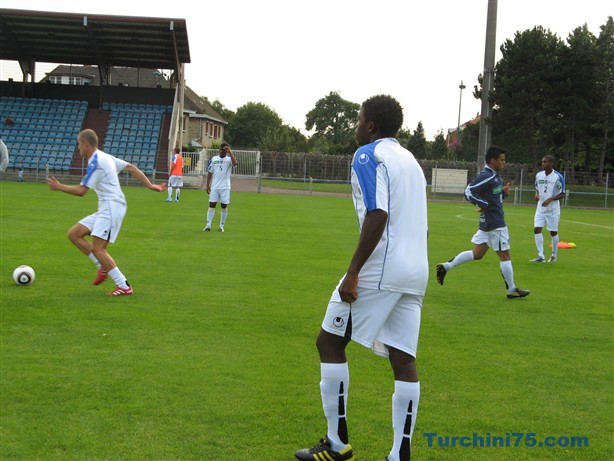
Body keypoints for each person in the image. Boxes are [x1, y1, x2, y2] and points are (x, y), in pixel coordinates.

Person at [295, 95, 429, 461]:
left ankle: (336, 444)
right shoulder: (412, 160)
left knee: (329, 342)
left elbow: (378, 212)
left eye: (358, 120)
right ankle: (399, 455)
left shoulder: (369, 154)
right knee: (404, 359)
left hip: (381, 267)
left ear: (371, 126)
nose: (355, 126)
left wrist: (353, 272)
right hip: (416, 272)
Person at [48, 129, 165, 296]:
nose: (78, 148)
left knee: (98, 249)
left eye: (79, 144)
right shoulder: (105, 156)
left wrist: (60, 187)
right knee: (74, 234)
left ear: (86, 144)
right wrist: (150, 185)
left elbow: (82, 191)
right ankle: (101, 266)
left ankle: (124, 286)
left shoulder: (96, 162)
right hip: (107, 207)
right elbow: (131, 167)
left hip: (112, 207)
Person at [436, 146, 530, 299]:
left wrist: (502, 193)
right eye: (501, 160)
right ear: (493, 161)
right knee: (505, 255)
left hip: (489, 223)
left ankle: (446, 266)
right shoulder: (486, 176)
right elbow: (468, 191)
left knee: (477, 254)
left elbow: (493, 196)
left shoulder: (495, 177)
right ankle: (511, 289)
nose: (504, 163)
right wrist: (483, 204)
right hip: (495, 223)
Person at [531, 155, 565, 263]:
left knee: (553, 232)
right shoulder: (539, 175)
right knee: (537, 229)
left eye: (545, 162)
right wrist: (536, 195)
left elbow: (563, 194)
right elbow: (537, 188)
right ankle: (541, 256)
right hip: (540, 208)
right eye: (542, 162)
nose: (543, 164)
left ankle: (554, 256)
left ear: (551, 163)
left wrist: (549, 199)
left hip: (552, 210)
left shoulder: (557, 177)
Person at [203, 142, 237, 232]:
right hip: (215, 186)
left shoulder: (229, 159)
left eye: (223, 150)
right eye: (220, 149)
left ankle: (221, 226)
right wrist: (207, 185)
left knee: (224, 205)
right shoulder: (214, 159)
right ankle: (208, 225)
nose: (221, 151)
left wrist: (231, 153)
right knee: (211, 204)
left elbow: (235, 164)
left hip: (225, 187)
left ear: (226, 151)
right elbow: (210, 172)